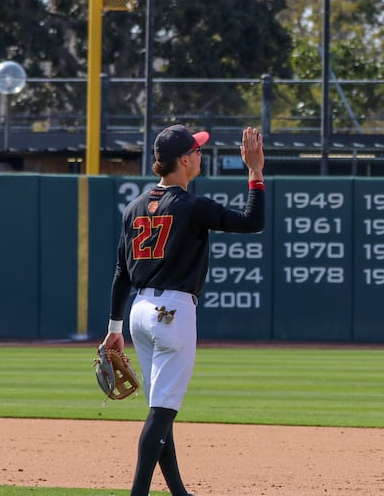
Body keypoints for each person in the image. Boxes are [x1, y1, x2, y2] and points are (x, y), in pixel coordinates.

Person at [101, 124, 266, 496]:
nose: (201, 155)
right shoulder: (192, 206)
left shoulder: (135, 206)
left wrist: (114, 326)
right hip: (172, 311)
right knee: (161, 413)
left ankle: (178, 492)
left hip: (139, 312)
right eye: (198, 150)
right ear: (185, 160)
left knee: (161, 409)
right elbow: (252, 222)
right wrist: (255, 172)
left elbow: (120, 272)